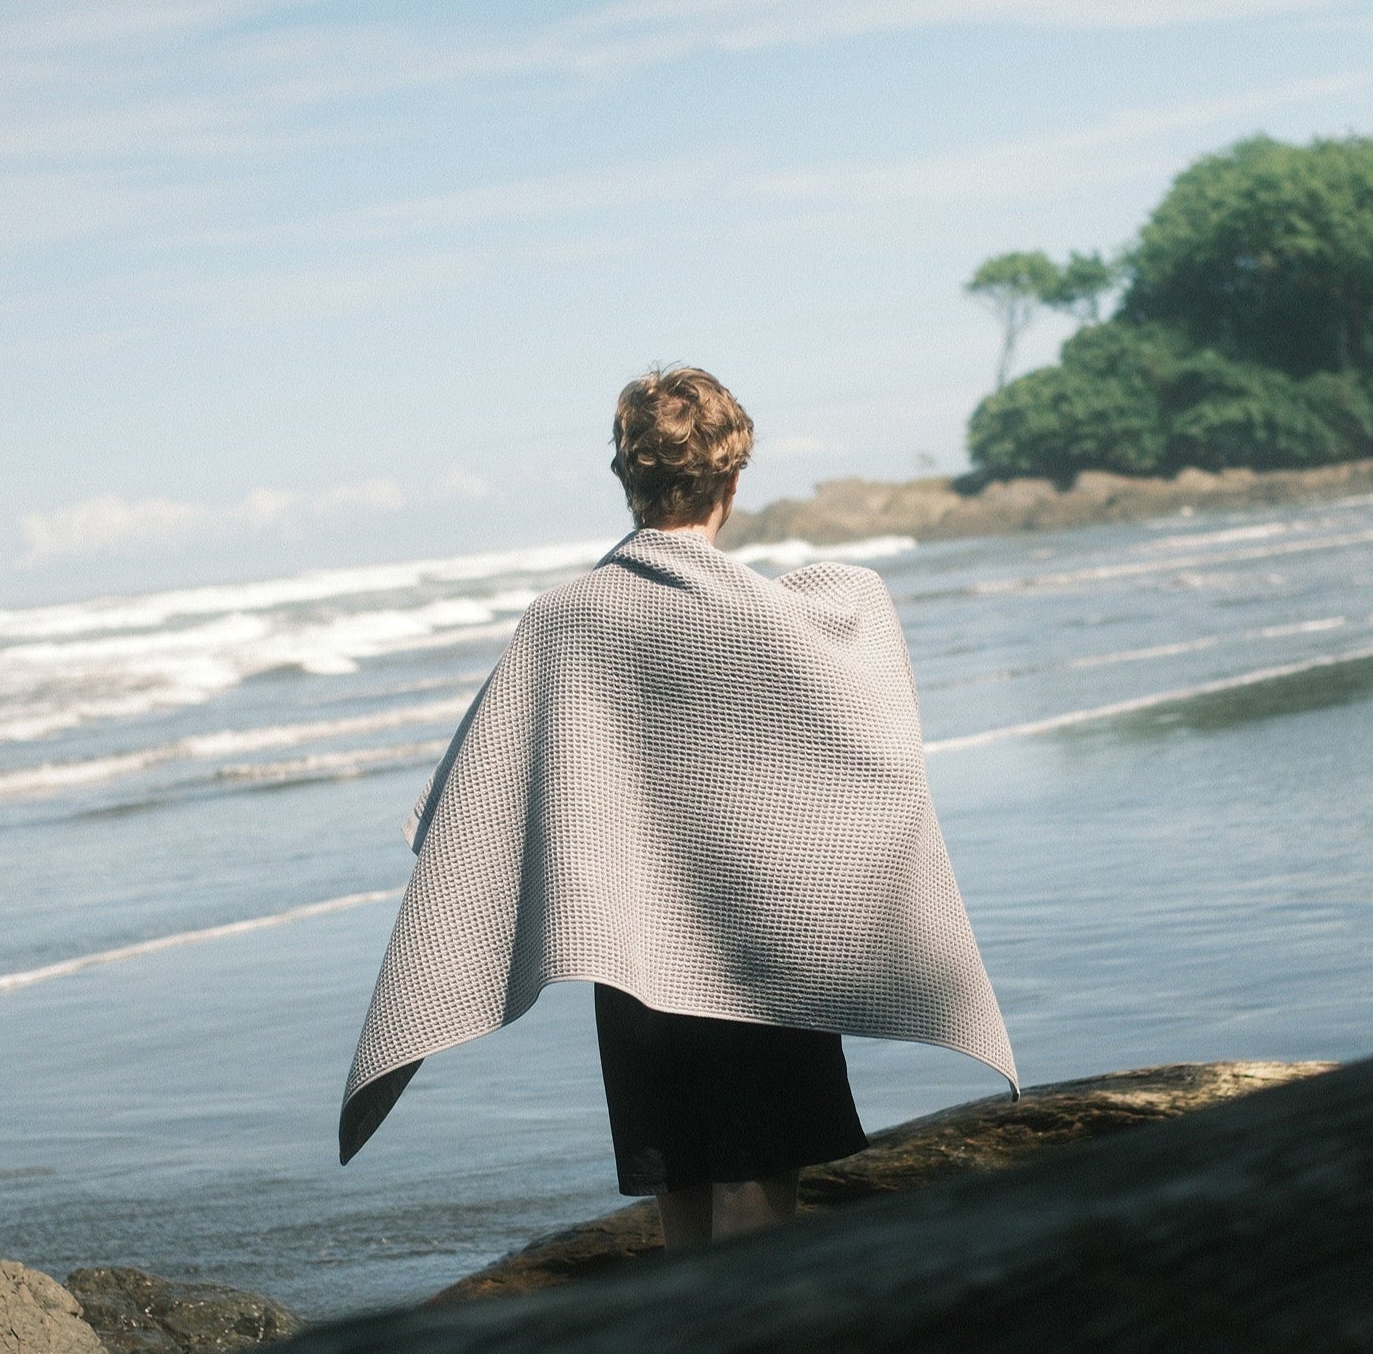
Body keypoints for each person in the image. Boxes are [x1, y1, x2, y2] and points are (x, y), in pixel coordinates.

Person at [339, 366, 1015, 1250]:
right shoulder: (788, 617)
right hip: (769, 947)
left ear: (626, 479)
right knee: (760, 1178)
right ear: (733, 482)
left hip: (635, 955)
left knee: (682, 1183)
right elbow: (870, 749)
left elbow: (473, 806)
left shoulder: (563, 620)